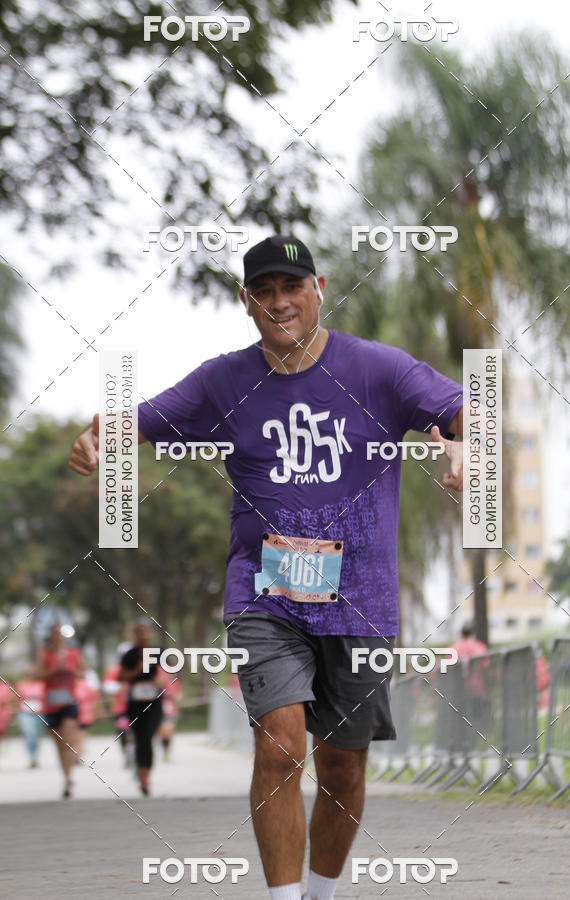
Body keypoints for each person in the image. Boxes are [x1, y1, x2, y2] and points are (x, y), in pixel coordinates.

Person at [68, 234, 464, 899]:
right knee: (280, 745)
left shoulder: (379, 370)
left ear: (320, 290)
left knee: (343, 768)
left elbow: (467, 408)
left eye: (292, 287)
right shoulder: (223, 380)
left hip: (360, 600)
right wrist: (92, 437)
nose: (279, 303)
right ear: (246, 301)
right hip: (265, 594)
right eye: (264, 291)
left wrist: (464, 448)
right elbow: (134, 420)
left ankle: (318, 894)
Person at [33, 623, 84, 797]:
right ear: (50, 636)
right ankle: (66, 777)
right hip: (51, 704)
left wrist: (73, 671)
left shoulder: (73, 654)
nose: (58, 636)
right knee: (59, 746)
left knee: (68, 741)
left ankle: (70, 779)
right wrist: (53, 671)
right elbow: (37, 675)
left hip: (69, 703)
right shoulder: (44, 655)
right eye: (54, 633)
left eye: (60, 633)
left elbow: (83, 673)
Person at [119, 620, 164, 795]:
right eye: (138, 632)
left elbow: (168, 674)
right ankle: (141, 773)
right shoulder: (129, 655)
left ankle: (146, 776)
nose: (142, 635)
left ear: (150, 633)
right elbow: (121, 677)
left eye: (145, 631)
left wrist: (161, 681)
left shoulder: (158, 653)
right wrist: (137, 671)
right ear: (134, 635)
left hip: (154, 703)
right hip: (135, 703)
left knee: (147, 737)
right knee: (139, 739)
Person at [102, 644, 133, 765]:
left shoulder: (141, 667)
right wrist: (122, 687)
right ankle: (127, 753)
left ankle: (136, 752)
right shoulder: (115, 670)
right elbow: (107, 686)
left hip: (138, 707)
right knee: (122, 731)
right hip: (120, 708)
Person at [15, 671, 45, 767]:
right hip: (25, 713)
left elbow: (45, 698)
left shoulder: (41, 685)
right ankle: (31, 757)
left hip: (39, 713)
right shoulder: (21, 685)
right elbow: (17, 699)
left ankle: (35, 755)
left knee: (37, 735)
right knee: (29, 734)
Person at [158, 674, 181, 761]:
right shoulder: (158, 684)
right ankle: (165, 750)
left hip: (171, 712)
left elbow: (179, 695)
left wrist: (175, 697)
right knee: (162, 734)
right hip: (159, 713)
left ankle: (166, 752)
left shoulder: (175, 683)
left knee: (168, 731)